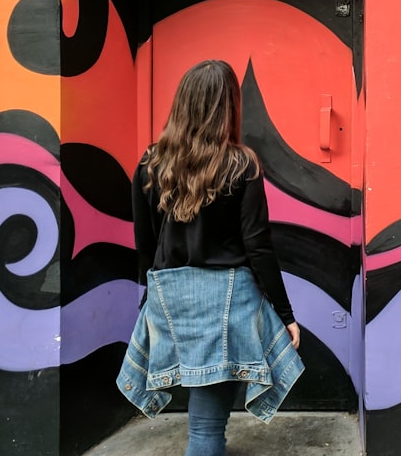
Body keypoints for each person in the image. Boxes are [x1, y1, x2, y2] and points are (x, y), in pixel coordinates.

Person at [117, 59, 305, 456]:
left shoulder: (151, 163)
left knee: (203, 423)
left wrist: (150, 303)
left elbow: (145, 246)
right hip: (227, 302)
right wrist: (285, 314)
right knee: (206, 429)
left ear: (182, 103)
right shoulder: (241, 164)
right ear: (228, 107)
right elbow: (258, 245)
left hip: (171, 299)